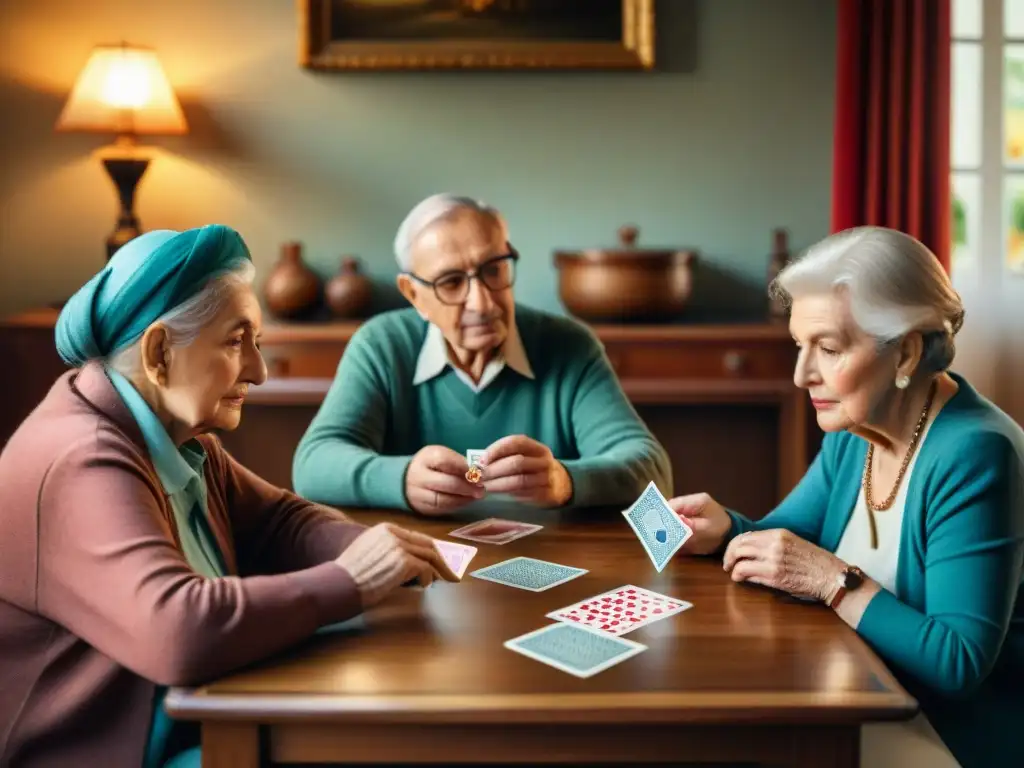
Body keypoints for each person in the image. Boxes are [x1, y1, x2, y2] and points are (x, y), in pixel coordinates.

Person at [0, 225, 458, 768]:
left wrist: (384, 554)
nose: (259, 372)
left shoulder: (176, 437)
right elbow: (179, 631)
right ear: (159, 352)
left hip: (189, 718)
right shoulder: (83, 457)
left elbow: (279, 522)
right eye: (237, 341)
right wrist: (353, 580)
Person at [669, 226, 1023, 768]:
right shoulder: (856, 429)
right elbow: (791, 544)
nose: (800, 374)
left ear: (904, 353)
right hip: (868, 694)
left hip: (952, 733)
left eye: (828, 349)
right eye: (799, 346)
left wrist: (833, 581)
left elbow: (959, 661)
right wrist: (728, 530)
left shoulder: (975, 454)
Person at [292, 193, 671, 515]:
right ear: (413, 295)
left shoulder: (569, 344)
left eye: (494, 270)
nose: (483, 301)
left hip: (558, 568)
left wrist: (565, 481)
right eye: (452, 282)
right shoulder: (381, 345)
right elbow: (312, 465)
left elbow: (653, 470)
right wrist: (401, 479)